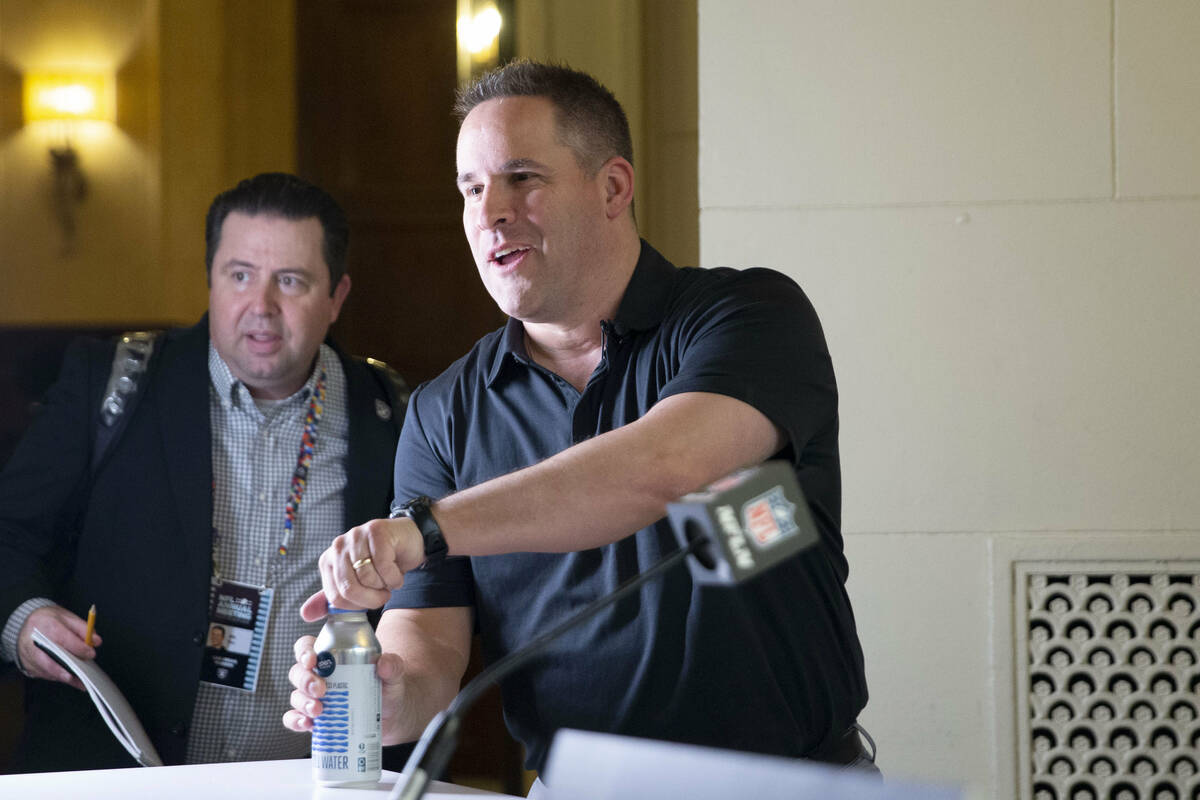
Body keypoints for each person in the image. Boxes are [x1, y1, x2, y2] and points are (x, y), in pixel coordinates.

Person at [283, 61, 872, 785]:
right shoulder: (444, 414)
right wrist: (385, 693)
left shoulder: (748, 318)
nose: (489, 211)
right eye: (471, 188)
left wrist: (426, 528)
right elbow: (431, 650)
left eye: (522, 178)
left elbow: (665, 467)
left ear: (613, 188)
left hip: (788, 784)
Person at [0, 173, 408, 772]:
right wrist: (22, 620)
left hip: (309, 779)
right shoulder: (112, 384)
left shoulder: (390, 412)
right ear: (212, 279)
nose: (261, 307)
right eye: (240, 275)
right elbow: (8, 534)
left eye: (290, 281)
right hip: (115, 775)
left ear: (337, 296)